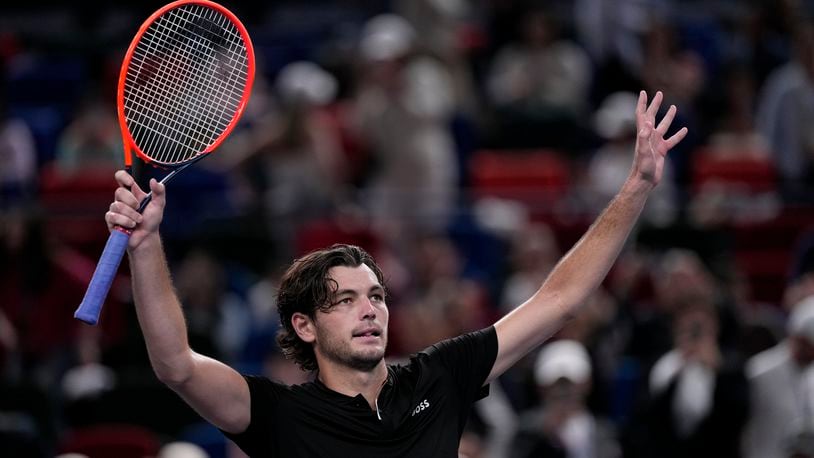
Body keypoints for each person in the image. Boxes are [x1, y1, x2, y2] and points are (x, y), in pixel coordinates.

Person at [100, 90, 686, 457]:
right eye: (346, 299)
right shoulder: (276, 414)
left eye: (376, 295)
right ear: (304, 326)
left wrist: (635, 187)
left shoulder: (440, 377)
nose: (370, 309)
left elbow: (560, 298)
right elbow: (175, 364)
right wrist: (146, 244)